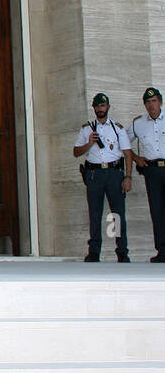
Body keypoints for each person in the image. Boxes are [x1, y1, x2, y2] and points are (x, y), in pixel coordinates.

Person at [73, 92, 132, 263]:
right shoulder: (86, 129)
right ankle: (94, 251)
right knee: (95, 213)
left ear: (108, 107)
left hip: (114, 173)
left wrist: (128, 176)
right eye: (97, 106)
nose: (100, 109)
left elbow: (127, 153)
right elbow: (76, 152)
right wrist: (89, 143)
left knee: (116, 215)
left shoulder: (117, 128)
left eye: (103, 105)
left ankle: (121, 251)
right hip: (94, 174)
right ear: (94, 108)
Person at [128, 86, 164, 263]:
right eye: (148, 102)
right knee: (157, 210)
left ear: (161, 102)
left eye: (154, 101)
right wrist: (135, 157)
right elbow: (123, 142)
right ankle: (162, 251)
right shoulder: (138, 123)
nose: (151, 105)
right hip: (152, 170)